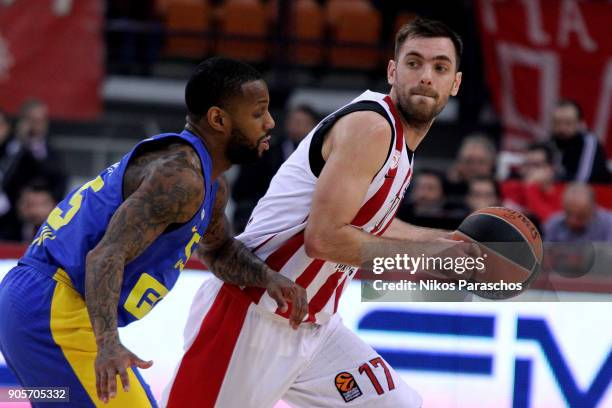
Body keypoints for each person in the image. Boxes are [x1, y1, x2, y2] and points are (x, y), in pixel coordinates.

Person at [165, 18, 479, 408]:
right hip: (252, 313)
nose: (426, 76)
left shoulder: (401, 144)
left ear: (456, 83)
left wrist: (446, 240)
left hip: (315, 329)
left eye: (440, 67)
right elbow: (325, 239)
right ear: (392, 71)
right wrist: (429, 257)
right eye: (414, 63)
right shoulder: (372, 127)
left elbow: (370, 224)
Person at [0, 57, 307, 407]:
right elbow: (105, 255)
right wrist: (108, 343)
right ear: (218, 119)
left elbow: (218, 250)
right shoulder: (180, 177)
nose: (269, 123)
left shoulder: (210, 185)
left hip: (35, 304)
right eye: (258, 114)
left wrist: (268, 277)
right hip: (52, 307)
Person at [232, 104, 319, 232]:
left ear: (313, 126)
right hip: (264, 213)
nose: (297, 126)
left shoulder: (319, 156)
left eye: (302, 122)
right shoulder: (267, 151)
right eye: (294, 121)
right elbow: (242, 190)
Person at [550, 99, 611, 183]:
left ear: (580, 124)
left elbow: (581, 180)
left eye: (568, 123)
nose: (562, 128)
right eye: (557, 122)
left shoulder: (589, 142)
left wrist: (550, 179)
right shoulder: (551, 142)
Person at [502, 143, 563, 224]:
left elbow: (551, 222)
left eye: (537, 165)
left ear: (551, 168)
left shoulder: (563, 193)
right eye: (527, 165)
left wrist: (531, 187)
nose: (530, 170)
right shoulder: (511, 187)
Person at [544, 183, 612, 242]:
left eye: (580, 216)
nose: (573, 221)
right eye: (568, 214)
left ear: (593, 208)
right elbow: (545, 254)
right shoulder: (554, 224)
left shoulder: (608, 224)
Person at [445, 134, 496, 206]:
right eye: (468, 161)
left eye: (481, 162)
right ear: (458, 164)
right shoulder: (445, 190)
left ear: (492, 164)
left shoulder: (502, 192)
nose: (474, 168)